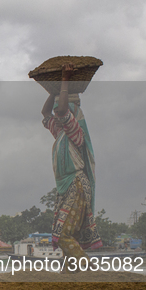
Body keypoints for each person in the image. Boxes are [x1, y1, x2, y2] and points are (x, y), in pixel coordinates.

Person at [41, 64, 102, 273]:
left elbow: (61, 110)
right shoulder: (59, 134)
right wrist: (53, 91)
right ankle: (71, 274)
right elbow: (46, 112)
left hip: (76, 185)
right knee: (69, 235)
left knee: (64, 235)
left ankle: (89, 269)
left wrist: (65, 80)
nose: (58, 117)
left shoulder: (75, 133)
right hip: (65, 188)